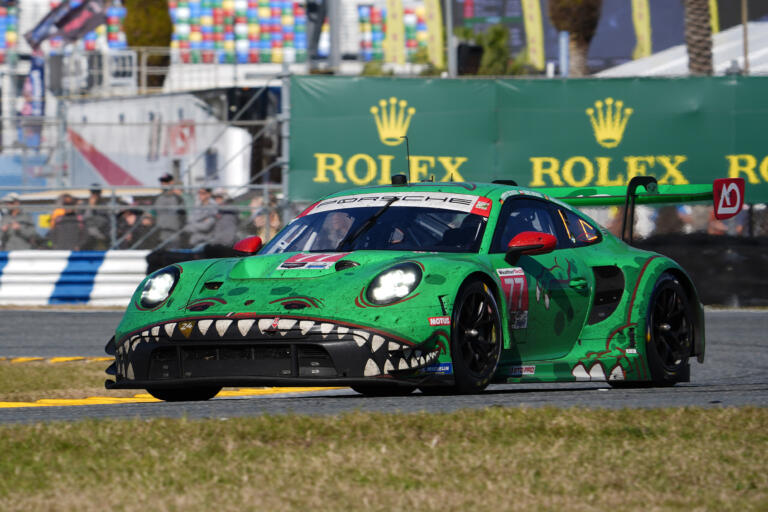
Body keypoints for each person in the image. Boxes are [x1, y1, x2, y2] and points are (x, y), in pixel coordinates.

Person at [153, 173, 186, 248]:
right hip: (160, 233)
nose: (163, 184)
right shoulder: (157, 198)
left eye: (166, 182)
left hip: (174, 233)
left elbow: (183, 217)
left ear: (171, 183)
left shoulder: (178, 198)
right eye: (162, 182)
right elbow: (152, 213)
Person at [82, 184, 110, 250]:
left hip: (100, 237)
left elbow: (105, 221)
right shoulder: (84, 205)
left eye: (97, 193)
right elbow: (85, 219)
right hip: (87, 238)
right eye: (93, 193)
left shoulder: (104, 205)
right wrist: (91, 207)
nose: (95, 195)